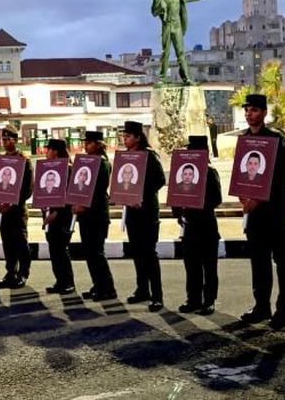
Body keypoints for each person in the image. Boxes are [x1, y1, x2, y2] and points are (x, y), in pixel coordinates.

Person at [238, 94, 285, 330]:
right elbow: (241, 175)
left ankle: (284, 310)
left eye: (254, 110)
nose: (249, 114)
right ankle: (261, 306)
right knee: (259, 264)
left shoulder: (276, 140)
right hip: (254, 216)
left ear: (264, 113)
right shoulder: (244, 140)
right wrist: (243, 196)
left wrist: (258, 199)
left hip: (274, 213)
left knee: (282, 264)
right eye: (247, 110)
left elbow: (283, 177)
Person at [173, 136, 222, 315]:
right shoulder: (183, 172)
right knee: (191, 266)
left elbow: (217, 199)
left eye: (193, 150)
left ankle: (209, 301)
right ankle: (193, 299)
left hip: (206, 226)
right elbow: (175, 196)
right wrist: (178, 212)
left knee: (209, 266)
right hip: (189, 227)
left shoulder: (210, 173)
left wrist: (197, 203)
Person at [122, 120, 166, 312]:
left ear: (138, 137)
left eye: (128, 136)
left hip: (147, 211)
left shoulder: (149, 156)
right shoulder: (125, 157)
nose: (124, 139)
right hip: (131, 212)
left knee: (149, 253)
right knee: (137, 252)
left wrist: (141, 195)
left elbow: (160, 180)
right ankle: (142, 290)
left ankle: (157, 296)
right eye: (124, 136)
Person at [74, 131, 117, 302]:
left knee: (97, 252)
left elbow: (99, 190)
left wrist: (83, 205)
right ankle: (98, 285)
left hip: (97, 214)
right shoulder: (87, 162)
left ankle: (108, 288)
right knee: (89, 252)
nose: (86, 145)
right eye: (85, 142)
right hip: (86, 215)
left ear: (99, 144)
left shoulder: (103, 163)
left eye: (90, 143)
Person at [150, 0, 209, 84]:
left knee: (180, 53)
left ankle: (186, 78)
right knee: (165, 53)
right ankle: (162, 78)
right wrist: (157, 1)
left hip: (177, 27)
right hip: (167, 26)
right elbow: (154, 12)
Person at [0, 124, 33, 289]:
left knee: (20, 243)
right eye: (3, 139)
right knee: (7, 243)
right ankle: (10, 272)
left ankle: (23, 273)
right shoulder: (1, 161)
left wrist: (11, 203)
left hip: (17, 210)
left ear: (16, 140)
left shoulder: (23, 160)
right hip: (3, 211)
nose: (5, 142)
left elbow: (27, 189)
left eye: (8, 139)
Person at [43, 139, 75, 295]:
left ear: (55, 151)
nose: (46, 152)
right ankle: (60, 281)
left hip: (62, 217)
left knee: (61, 249)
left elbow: (69, 195)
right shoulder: (48, 169)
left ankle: (68, 282)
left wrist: (56, 213)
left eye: (48, 149)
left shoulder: (68, 170)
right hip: (49, 215)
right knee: (54, 250)